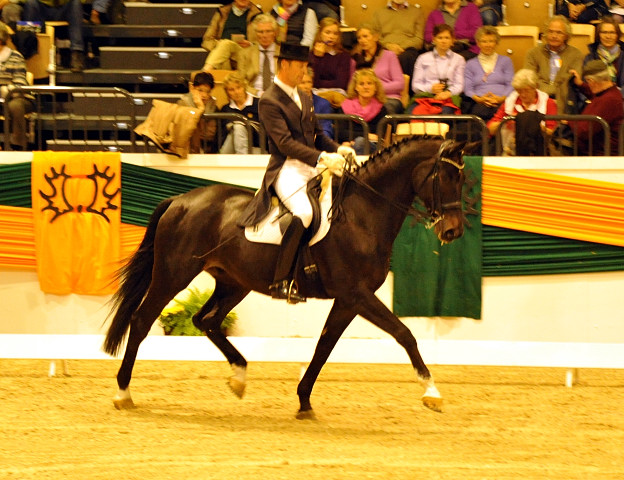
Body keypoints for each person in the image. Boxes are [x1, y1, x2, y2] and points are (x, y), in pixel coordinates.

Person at [237, 43, 350, 303]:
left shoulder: (306, 97)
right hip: (286, 168)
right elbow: (285, 144)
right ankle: (281, 280)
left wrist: (339, 150)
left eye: (305, 67)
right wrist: (322, 158)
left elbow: (318, 136)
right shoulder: (269, 100)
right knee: (304, 212)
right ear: (284, 64)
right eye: (300, 67)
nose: (304, 72)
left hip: (311, 167)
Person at [487, 69, 557, 155]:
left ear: (535, 87)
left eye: (526, 90)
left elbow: (551, 132)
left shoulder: (548, 103)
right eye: (519, 91)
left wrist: (531, 125)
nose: (523, 95)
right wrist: (506, 121)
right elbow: (491, 129)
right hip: (510, 150)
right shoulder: (510, 102)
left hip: (539, 151)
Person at [524, 15, 584, 114]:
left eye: (559, 32)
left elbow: (569, 81)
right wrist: (546, 98)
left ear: (566, 35)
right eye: (550, 31)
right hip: (536, 99)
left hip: (563, 100)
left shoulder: (576, 55)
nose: (554, 36)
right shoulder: (533, 53)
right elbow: (529, 78)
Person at [209, 14, 280, 97]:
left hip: (279, 96)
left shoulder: (283, 52)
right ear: (256, 34)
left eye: (268, 31)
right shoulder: (245, 53)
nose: (264, 35)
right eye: (260, 32)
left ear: (274, 33)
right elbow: (241, 82)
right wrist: (258, 93)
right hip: (254, 95)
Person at [569, 59, 623, 155]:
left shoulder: (608, 100)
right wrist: (580, 84)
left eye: (588, 82)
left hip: (601, 157)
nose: (588, 85)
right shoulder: (612, 93)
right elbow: (595, 95)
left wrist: (569, 121)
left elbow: (584, 131)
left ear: (592, 81)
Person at [411, 24, 466, 114]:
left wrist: (447, 93)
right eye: (440, 38)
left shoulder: (459, 59)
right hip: (425, 97)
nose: (443, 41)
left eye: (447, 38)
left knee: (443, 114)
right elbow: (415, 85)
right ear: (434, 39)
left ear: (452, 40)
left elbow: (459, 85)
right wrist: (430, 89)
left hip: (448, 98)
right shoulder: (423, 58)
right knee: (414, 113)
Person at [462, 25, 514, 121]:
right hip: (479, 103)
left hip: (502, 101)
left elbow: (511, 85)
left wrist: (501, 99)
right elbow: (468, 89)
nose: (488, 45)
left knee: (503, 113)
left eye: (491, 41)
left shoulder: (506, 61)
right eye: (484, 41)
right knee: (478, 114)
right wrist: (479, 99)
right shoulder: (470, 64)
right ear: (478, 43)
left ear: (496, 43)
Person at [352, 23, 405, 114]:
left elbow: (399, 84)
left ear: (375, 37)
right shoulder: (356, 59)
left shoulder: (389, 56)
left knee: (384, 110)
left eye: (365, 36)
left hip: (388, 98)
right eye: (359, 38)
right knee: (346, 108)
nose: (362, 40)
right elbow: (352, 84)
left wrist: (375, 89)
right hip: (363, 99)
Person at [22, 0, 85, 72]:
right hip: (41, 7)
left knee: (76, 3)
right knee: (30, 3)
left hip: (64, 8)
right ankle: (30, 53)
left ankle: (76, 54)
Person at [307, 17, 355, 108]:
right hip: (316, 93)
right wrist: (317, 58)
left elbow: (341, 83)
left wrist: (323, 85)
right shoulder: (311, 55)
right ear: (320, 33)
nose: (331, 36)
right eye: (327, 32)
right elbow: (313, 82)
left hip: (337, 93)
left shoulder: (344, 55)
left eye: (335, 33)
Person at [0, 22, 34, 150]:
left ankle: (18, 146)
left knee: (15, 105)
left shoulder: (16, 57)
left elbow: (20, 84)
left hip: (18, 98)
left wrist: (4, 90)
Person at [201, 0, 262, 69]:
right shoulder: (222, 12)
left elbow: (264, 42)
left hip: (245, 54)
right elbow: (207, 40)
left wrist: (250, 44)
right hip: (222, 53)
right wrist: (218, 45)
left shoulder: (257, 14)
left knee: (225, 46)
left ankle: (204, 73)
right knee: (225, 52)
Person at [371, 0, 424, 78]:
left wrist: (400, 47)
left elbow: (419, 39)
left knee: (406, 57)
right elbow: (376, 36)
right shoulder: (379, 13)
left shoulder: (417, 12)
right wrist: (388, 46)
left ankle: (403, 88)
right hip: (385, 49)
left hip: (408, 50)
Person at [339, 69, 387, 154]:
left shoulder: (382, 109)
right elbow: (341, 132)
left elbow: (379, 136)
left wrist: (354, 138)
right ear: (356, 87)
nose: (366, 87)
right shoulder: (345, 106)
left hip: (373, 148)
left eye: (369, 83)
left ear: (375, 87)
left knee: (360, 142)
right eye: (361, 84)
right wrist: (366, 135)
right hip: (347, 144)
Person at [580, 16, 624, 95]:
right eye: (604, 32)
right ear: (598, 35)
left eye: (612, 33)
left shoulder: (622, 57)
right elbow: (585, 84)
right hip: (595, 100)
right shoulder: (590, 58)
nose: (608, 36)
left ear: (617, 35)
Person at [219, 72, 261, 154]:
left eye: (238, 87)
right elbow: (222, 135)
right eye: (231, 89)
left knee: (238, 127)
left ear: (244, 87)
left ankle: (242, 160)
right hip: (231, 149)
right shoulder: (226, 109)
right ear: (227, 92)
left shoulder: (259, 104)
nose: (236, 92)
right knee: (236, 128)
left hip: (256, 148)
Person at [177, 71, 218, 154]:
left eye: (208, 92)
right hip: (185, 148)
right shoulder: (182, 103)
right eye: (200, 90)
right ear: (192, 88)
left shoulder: (213, 107)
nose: (204, 95)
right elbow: (183, 130)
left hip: (207, 149)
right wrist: (200, 109)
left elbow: (211, 133)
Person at [299, 67, 334, 138]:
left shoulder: (323, 104)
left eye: (309, 82)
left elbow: (326, 128)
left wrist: (318, 139)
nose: (307, 86)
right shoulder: (290, 102)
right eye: (302, 83)